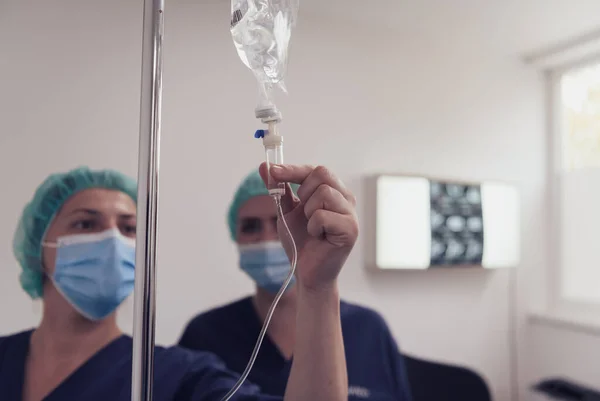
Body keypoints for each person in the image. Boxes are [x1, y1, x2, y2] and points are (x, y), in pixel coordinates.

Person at [0, 163, 358, 401]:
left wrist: (317, 288)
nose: (112, 241)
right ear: (38, 247)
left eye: (129, 228)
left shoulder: (176, 376)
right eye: (86, 224)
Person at [178, 170, 413, 401]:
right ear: (235, 235)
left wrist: (319, 285)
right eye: (251, 227)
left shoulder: (368, 330)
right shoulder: (206, 334)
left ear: (310, 227)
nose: (268, 238)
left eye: (280, 222)